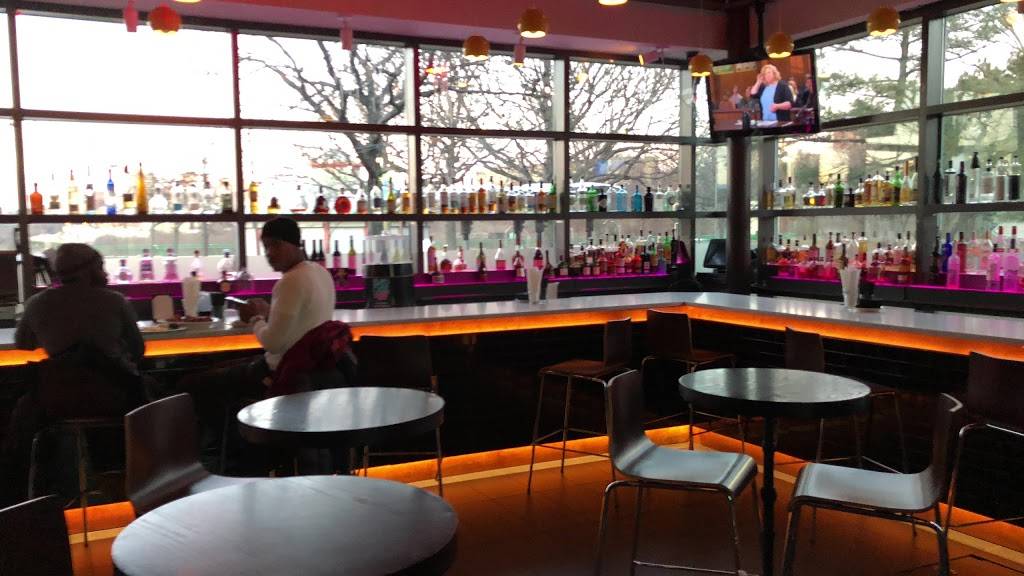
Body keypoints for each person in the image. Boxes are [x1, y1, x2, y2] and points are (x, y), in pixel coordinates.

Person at [180, 218, 349, 470]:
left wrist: (255, 318)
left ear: (294, 244)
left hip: (281, 372)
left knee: (194, 384)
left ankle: (226, 456)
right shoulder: (320, 273)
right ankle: (234, 450)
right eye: (266, 246)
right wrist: (270, 314)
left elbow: (273, 343)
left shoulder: (290, 280)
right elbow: (303, 323)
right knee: (219, 375)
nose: (270, 253)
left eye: (275, 245)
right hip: (312, 371)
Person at [3, 244, 146, 505]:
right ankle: (138, 479)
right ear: (88, 270)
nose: (104, 272)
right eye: (100, 266)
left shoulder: (37, 303)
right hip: (114, 399)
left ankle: (32, 494)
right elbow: (138, 351)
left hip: (57, 400)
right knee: (156, 392)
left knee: (22, 411)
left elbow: (23, 343)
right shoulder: (114, 301)